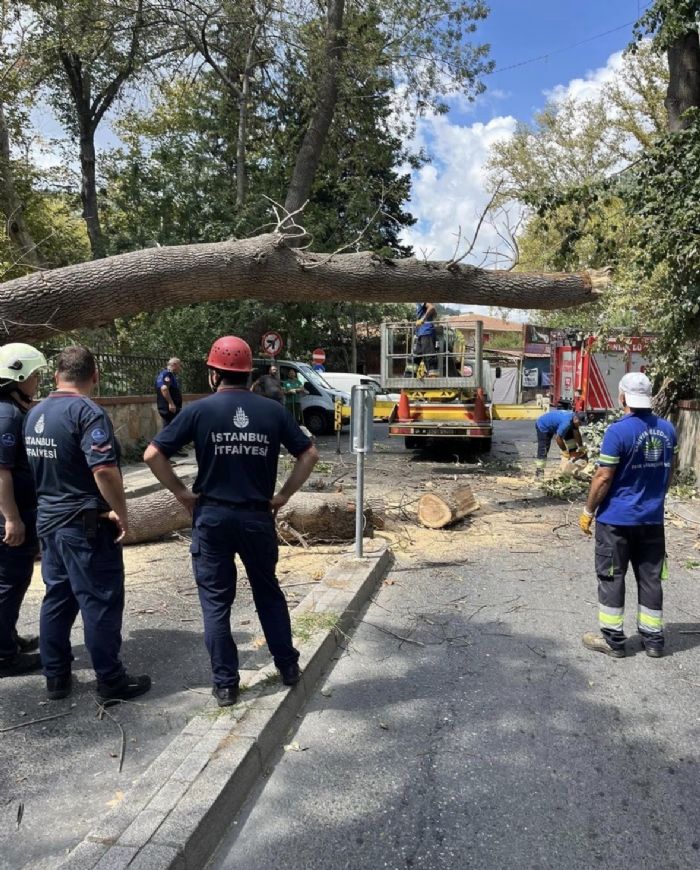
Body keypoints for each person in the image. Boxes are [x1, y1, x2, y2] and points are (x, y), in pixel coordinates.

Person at [143, 336, 319, 707]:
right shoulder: (272, 411)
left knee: (215, 602)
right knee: (267, 592)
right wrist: (283, 495)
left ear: (213, 373)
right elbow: (309, 453)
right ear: (247, 373)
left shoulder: (199, 411)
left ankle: (226, 686)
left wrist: (180, 492)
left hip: (213, 518)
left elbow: (152, 454)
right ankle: (287, 667)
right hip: (257, 516)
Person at [24, 347, 151, 702]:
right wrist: (121, 511)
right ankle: (110, 681)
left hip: (49, 521)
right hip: (84, 526)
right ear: (95, 376)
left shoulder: (35, 413)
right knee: (100, 601)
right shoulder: (87, 412)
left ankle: (56, 676)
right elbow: (105, 471)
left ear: (55, 376)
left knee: (58, 599)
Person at [579, 372, 677, 658]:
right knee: (650, 578)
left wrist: (588, 511)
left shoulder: (618, 431)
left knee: (611, 576)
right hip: (652, 520)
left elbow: (603, 477)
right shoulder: (668, 430)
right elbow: (669, 472)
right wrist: (655, 497)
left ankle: (612, 640)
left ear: (622, 397)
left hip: (616, 522)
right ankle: (654, 640)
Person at [0, 344, 47, 677]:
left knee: (13, 581)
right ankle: (4, 655)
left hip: (18, 511)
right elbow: (1, 471)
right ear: (18, 376)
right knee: (9, 581)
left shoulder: (11, 409)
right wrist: (12, 518)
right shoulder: (7, 414)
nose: (38, 379)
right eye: (34, 374)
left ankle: (8, 637)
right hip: (11, 516)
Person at [534, 408, 587, 478]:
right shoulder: (566, 423)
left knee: (571, 440)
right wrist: (564, 451)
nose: (580, 425)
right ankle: (539, 471)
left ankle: (571, 463)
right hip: (543, 425)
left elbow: (577, 433)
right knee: (544, 448)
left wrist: (581, 447)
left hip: (555, 424)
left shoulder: (573, 419)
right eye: (580, 423)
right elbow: (558, 438)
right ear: (576, 419)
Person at [405, 302, 438, 378]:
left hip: (426, 332)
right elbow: (435, 313)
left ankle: (433, 378)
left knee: (429, 356)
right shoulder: (418, 303)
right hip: (421, 333)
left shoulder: (421, 298)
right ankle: (408, 377)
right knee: (415, 357)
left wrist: (423, 319)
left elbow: (431, 308)